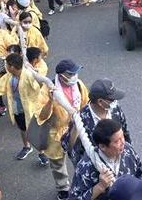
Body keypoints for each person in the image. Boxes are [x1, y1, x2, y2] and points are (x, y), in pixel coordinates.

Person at [35, 59, 89, 200]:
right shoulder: (47, 89)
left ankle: (82, 183)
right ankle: (63, 188)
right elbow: (41, 115)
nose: (74, 76)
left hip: (75, 131)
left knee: (80, 159)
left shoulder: (79, 85)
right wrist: (50, 102)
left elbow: (85, 104)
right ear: (61, 75)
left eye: (75, 72)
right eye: (71, 74)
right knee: (58, 164)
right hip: (56, 134)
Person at [61, 79, 131, 169]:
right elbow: (71, 148)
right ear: (100, 102)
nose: (115, 102)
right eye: (112, 99)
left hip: (118, 161)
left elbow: (125, 132)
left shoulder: (115, 109)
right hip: (97, 167)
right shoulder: (82, 120)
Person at [69, 119, 142, 200]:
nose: (123, 142)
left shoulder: (128, 151)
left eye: (122, 137)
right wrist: (100, 187)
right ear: (102, 146)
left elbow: (139, 175)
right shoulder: (85, 167)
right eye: (117, 141)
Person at [0, 53, 49, 165]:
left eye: (7, 65)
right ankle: (26, 147)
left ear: (12, 67)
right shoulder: (9, 76)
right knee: (22, 128)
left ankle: (42, 153)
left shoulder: (28, 75)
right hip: (17, 107)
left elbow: (39, 86)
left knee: (35, 131)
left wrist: (36, 75)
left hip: (31, 108)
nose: (6, 67)